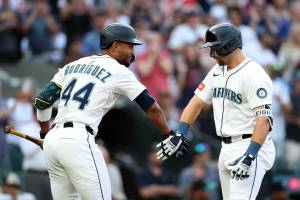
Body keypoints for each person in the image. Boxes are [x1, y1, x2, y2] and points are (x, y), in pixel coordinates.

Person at [32, 23, 189, 200]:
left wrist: (45, 135)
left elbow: (42, 101)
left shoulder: (73, 65)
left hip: (54, 141)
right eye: (129, 45)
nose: (132, 51)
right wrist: (168, 134)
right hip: (78, 140)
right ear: (115, 46)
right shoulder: (118, 70)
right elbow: (152, 107)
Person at [157, 23, 276, 199]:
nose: (211, 54)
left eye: (214, 48)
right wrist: (180, 133)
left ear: (228, 45)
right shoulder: (217, 71)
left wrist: (250, 155)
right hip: (226, 147)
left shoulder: (254, 74)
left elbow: (264, 120)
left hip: (250, 145)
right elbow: (196, 102)